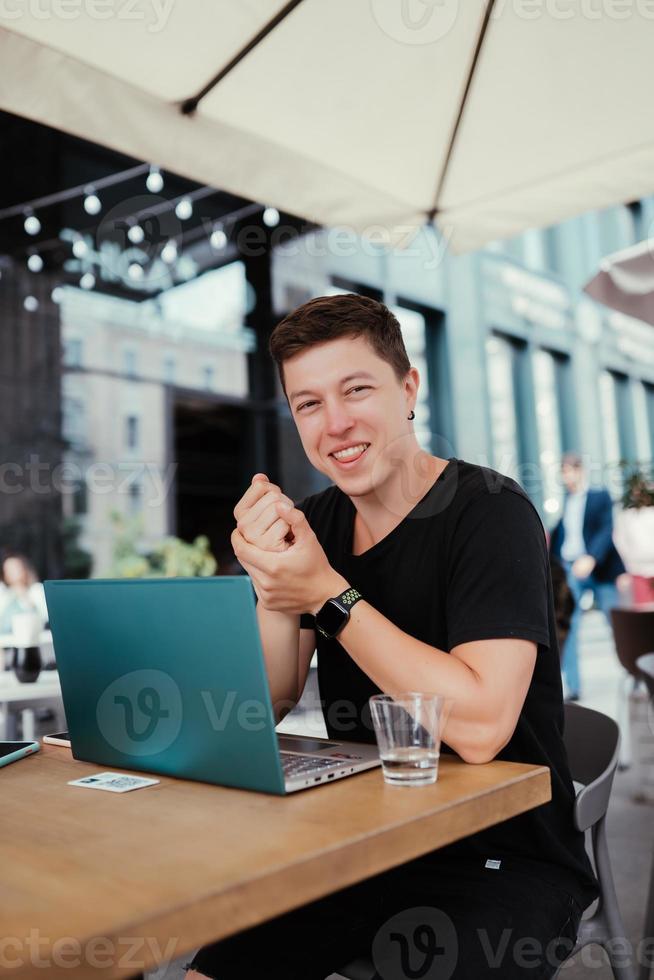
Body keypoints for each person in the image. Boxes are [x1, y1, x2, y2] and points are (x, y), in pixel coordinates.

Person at [186, 294, 599, 980]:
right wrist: (271, 583)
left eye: (357, 390)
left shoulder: (490, 513)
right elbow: (270, 699)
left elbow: (480, 728)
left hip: (502, 858)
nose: (336, 422)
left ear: (408, 389)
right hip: (364, 845)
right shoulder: (314, 522)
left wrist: (326, 591)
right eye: (309, 403)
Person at [550, 452, 625, 700]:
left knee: (617, 623)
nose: (566, 477)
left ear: (580, 471)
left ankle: (634, 673)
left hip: (600, 569)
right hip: (572, 569)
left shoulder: (599, 496)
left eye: (569, 471)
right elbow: (561, 538)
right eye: (563, 473)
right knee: (567, 626)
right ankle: (574, 686)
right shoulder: (567, 504)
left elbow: (606, 529)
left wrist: (592, 557)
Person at [0, 552, 48, 636]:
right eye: (8, 570)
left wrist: (26, 599)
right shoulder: (4, 595)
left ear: (24, 569)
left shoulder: (36, 590)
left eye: (15, 568)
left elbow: (46, 618)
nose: (12, 572)